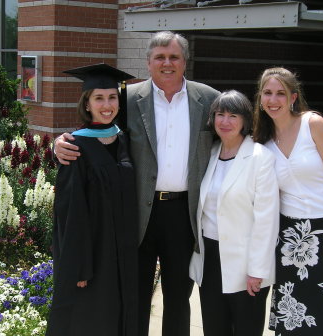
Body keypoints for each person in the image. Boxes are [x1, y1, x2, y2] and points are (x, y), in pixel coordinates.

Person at [53, 31, 220, 336]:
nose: (166, 63)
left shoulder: (208, 99)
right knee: (136, 294)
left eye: (173, 57)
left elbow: (233, 139)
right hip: (136, 215)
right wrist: (58, 144)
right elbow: (98, 131)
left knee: (178, 298)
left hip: (183, 214)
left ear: (185, 61)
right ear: (148, 62)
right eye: (160, 57)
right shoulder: (128, 99)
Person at [253, 67, 323, 335]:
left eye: (281, 93)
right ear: (260, 98)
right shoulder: (263, 141)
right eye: (267, 93)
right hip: (290, 238)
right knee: (296, 313)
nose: (273, 99)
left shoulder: (312, 124)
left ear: (293, 97)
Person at [46, 64, 138, 336]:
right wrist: (80, 266)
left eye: (112, 98)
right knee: (91, 319)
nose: (107, 105)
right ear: (86, 104)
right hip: (93, 257)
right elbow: (70, 213)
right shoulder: (75, 147)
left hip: (123, 252)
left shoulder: (124, 140)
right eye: (99, 98)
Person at [189, 90, 279, 336]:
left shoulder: (261, 158)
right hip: (210, 259)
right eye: (220, 114)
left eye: (233, 115)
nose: (225, 122)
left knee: (245, 329)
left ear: (245, 121)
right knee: (214, 328)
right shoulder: (210, 153)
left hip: (246, 264)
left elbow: (267, 220)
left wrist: (257, 270)